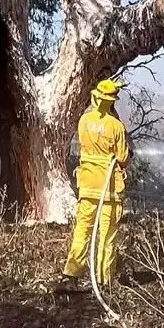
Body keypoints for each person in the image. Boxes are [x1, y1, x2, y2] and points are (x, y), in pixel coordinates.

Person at [58, 77, 129, 290]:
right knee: (107, 236)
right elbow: (123, 157)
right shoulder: (116, 126)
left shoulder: (83, 121)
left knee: (82, 231)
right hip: (109, 190)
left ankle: (71, 275)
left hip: (87, 186)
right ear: (112, 101)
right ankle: (103, 281)